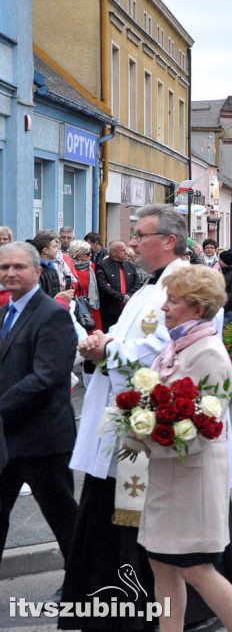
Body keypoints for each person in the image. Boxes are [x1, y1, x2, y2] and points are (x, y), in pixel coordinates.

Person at [63, 204, 232, 631]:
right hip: (148, 454)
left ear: (169, 241)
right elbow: (145, 350)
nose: (133, 241)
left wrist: (110, 358)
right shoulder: (154, 289)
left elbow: (170, 384)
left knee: (192, 566)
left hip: (173, 465)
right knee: (163, 565)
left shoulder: (195, 324)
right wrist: (104, 343)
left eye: (141, 234)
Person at [134, 265, 232, 632]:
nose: (164, 308)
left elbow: (205, 430)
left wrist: (148, 439)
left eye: (174, 301)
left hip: (193, 481)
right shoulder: (175, 347)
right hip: (168, 477)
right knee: (162, 564)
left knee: (195, 568)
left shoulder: (209, 355)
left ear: (197, 309)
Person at [0, 242, 78, 578]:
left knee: (63, 519)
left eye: (18, 267)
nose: (10, 273)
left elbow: (47, 377)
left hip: (43, 440)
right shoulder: (6, 311)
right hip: (7, 438)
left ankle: (84, 584)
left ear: (36, 270)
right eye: (4, 268)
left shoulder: (53, 314)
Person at [95, 240, 144, 332]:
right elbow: (103, 286)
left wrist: (128, 296)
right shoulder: (102, 265)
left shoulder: (130, 265)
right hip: (110, 310)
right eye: (122, 250)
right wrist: (121, 297)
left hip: (128, 307)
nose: (125, 253)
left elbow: (138, 283)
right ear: (113, 252)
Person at [65, 239, 103, 332]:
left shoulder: (92, 267)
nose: (91, 255)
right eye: (87, 253)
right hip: (78, 306)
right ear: (78, 255)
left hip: (92, 305)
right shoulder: (68, 268)